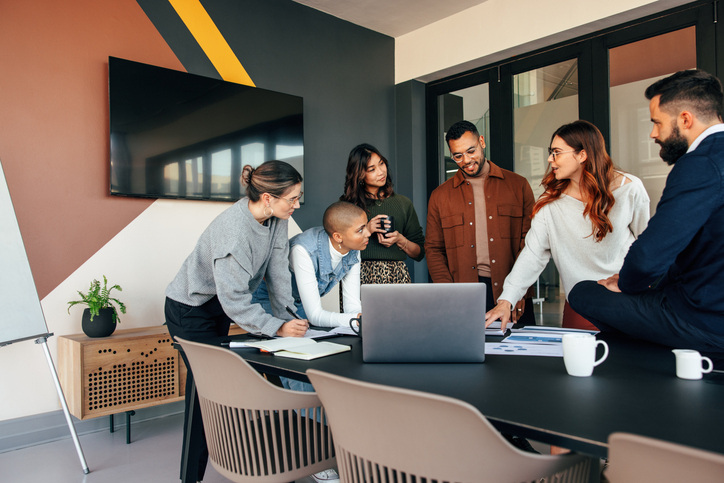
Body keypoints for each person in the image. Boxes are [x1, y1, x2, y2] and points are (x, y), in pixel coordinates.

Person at [164, 160, 307, 483]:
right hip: (190, 309)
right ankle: (192, 475)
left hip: (218, 307)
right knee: (208, 389)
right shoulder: (233, 233)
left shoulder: (277, 217)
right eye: (293, 198)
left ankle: (275, 461)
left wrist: (289, 321)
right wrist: (276, 328)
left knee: (227, 381)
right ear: (268, 197)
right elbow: (235, 303)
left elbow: (278, 272)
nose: (297, 205)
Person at [569, 69, 724, 353]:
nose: (653, 133)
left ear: (685, 119)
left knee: (583, 292)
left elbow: (648, 257)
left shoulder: (700, 164)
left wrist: (625, 284)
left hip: (702, 320)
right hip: (706, 304)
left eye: (657, 123)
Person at [485, 120, 650, 331]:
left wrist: (635, 282)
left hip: (627, 302)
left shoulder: (630, 189)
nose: (549, 159)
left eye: (556, 152)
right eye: (550, 152)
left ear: (582, 155)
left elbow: (646, 246)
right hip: (580, 307)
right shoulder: (550, 202)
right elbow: (533, 255)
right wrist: (506, 300)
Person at [426, 120, 536, 325]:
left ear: (482, 142)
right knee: (466, 356)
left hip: (512, 291)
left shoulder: (518, 186)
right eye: (458, 156)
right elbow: (433, 249)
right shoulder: (440, 196)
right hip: (463, 296)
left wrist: (518, 292)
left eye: (471, 151)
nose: (466, 160)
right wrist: (448, 293)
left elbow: (530, 244)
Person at [340, 143, 425, 285]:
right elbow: (337, 249)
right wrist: (366, 230)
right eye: (372, 169)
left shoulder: (403, 203)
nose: (381, 172)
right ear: (359, 174)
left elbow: (419, 253)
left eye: (381, 164)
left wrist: (399, 239)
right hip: (357, 276)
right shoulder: (348, 205)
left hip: (397, 276)